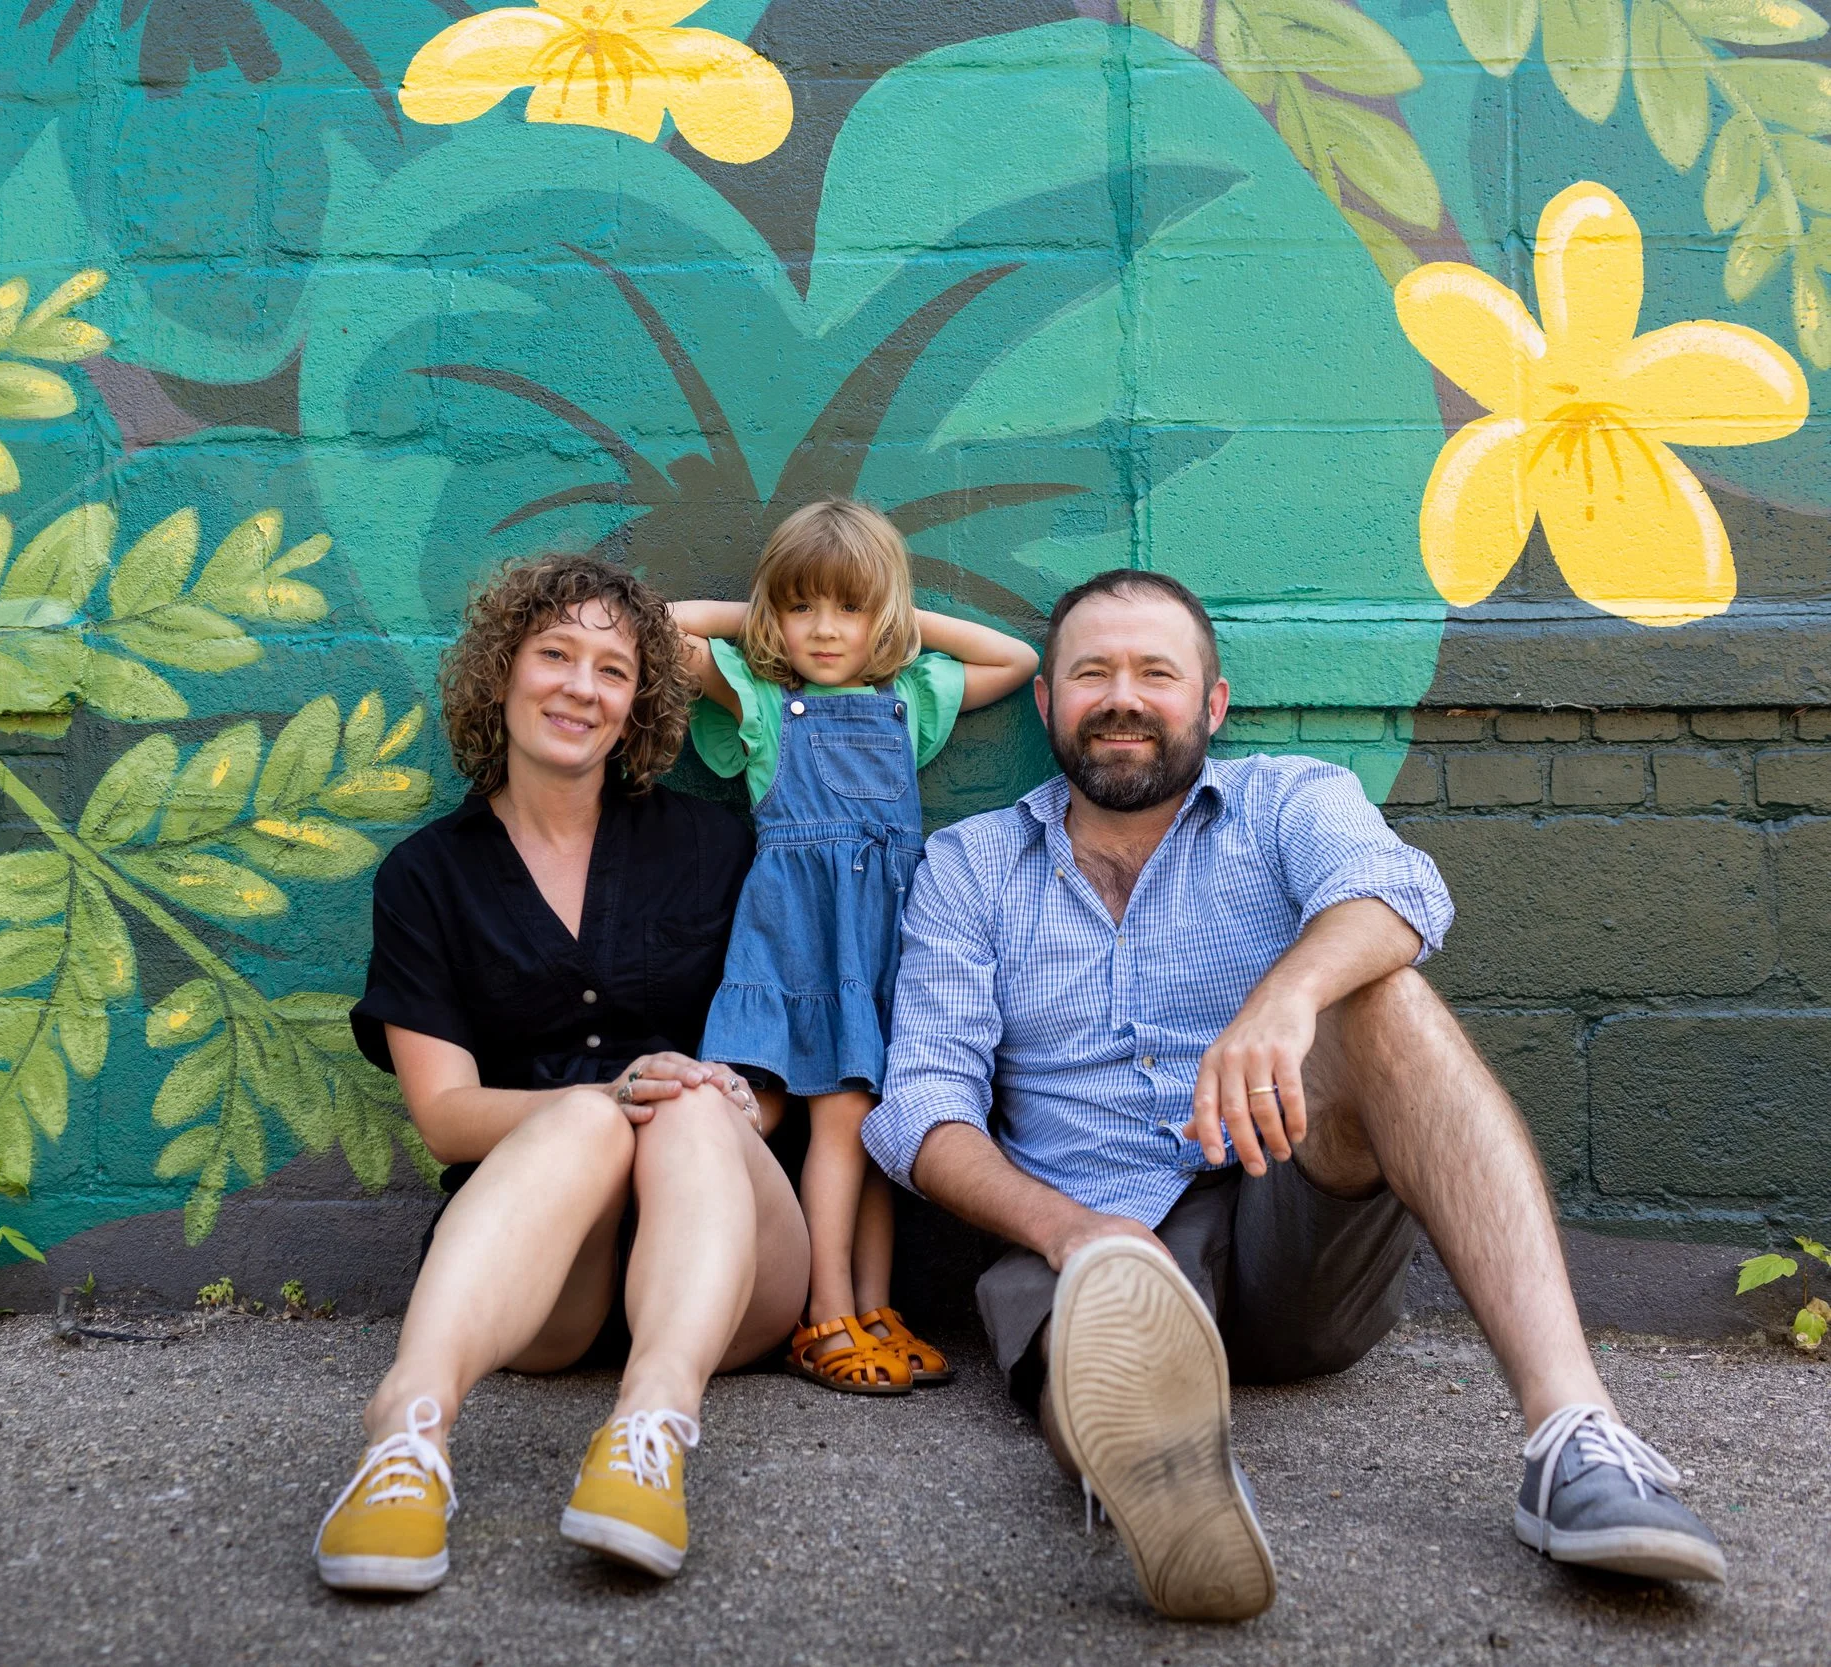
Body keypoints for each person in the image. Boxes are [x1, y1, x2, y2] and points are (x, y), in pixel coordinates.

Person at [863, 568, 1725, 1621]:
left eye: (1155, 672)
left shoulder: (1287, 799)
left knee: (1386, 996)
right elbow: (922, 1110)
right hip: (1091, 1236)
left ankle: (1574, 1441)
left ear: (1211, 704)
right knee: (1091, 1321)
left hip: (1288, 1218)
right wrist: (1071, 1229)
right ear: (1047, 704)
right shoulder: (969, 865)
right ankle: (1158, 1473)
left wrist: (1287, 995)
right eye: (1091, 672)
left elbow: (1400, 895)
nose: (1122, 696)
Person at [315, 552, 809, 1594]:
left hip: (734, 1262)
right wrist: (600, 1099)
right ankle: (405, 1436)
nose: (580, 686)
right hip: (544, 1289)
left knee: (680, 1101)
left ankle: (649, 1434)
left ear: (638, 707)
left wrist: (718, 1096)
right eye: (554, 654)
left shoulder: (714, 843)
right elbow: (446, 1117)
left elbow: (777, 1082)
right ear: (501, 674)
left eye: (614, 669)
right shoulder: (426, 876)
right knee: (594, 1116)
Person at [672, 499, 1036, 1395]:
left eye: (850, 608)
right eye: (802, 607)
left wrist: (900, 625)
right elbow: (657, 627)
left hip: (887, 944)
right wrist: (752, 622)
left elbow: (1018, 658)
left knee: (879, 1119)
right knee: (838, 1114)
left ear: (886, 619)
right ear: (775, 617)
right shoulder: (763, 700)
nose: (826, 630)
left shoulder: (906, 697)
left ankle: (875, 1308)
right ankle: (824, 1311)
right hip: (802, 940)